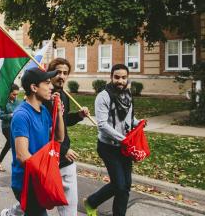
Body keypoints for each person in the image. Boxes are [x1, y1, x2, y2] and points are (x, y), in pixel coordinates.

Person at [2, 67, 64, 216]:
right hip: (26, 182)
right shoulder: (21, 115)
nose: (51, 87)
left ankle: (12, 213)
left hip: (38, 179)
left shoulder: (43, 111)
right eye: (47, 83)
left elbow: (59, 138)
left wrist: (59, 113)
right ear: (34, 87)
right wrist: (48, 176)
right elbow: (22, 156)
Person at [84, 64, 143, 216]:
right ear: (111, 77)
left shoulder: (127, 94)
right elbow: (102, 124)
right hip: (108, 147)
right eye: (117, 77)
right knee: (119, 185)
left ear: (127, 78)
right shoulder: (103, 96)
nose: (120, 81)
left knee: (125, 185)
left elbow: (128, 117)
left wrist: (138, 122)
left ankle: (95, 203)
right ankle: (91, 202)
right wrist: (123, 139)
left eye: (124, 78)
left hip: (124, 147)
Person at [47, 58, 90, 216]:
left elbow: (63, 123)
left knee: (70, 208)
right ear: (51, 74)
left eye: (65, 73)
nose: (62, 76)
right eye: (58, 72)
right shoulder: (44, 96)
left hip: (66, 161)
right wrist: (63, 148)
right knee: (34, 202)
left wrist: (79, 115)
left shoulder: (64, 95)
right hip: (48, 158)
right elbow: (43, 130)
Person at [0, 84, 21, 172]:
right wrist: (12, 115)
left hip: (16, 126)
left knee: (9, 145)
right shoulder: (3, 102)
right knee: (12, 144)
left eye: (17, 94)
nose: (15, 96)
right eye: (14, 94)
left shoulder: (19, 102)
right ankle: (18, 165)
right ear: (9, 93)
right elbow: (1, 115)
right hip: (6, 127)